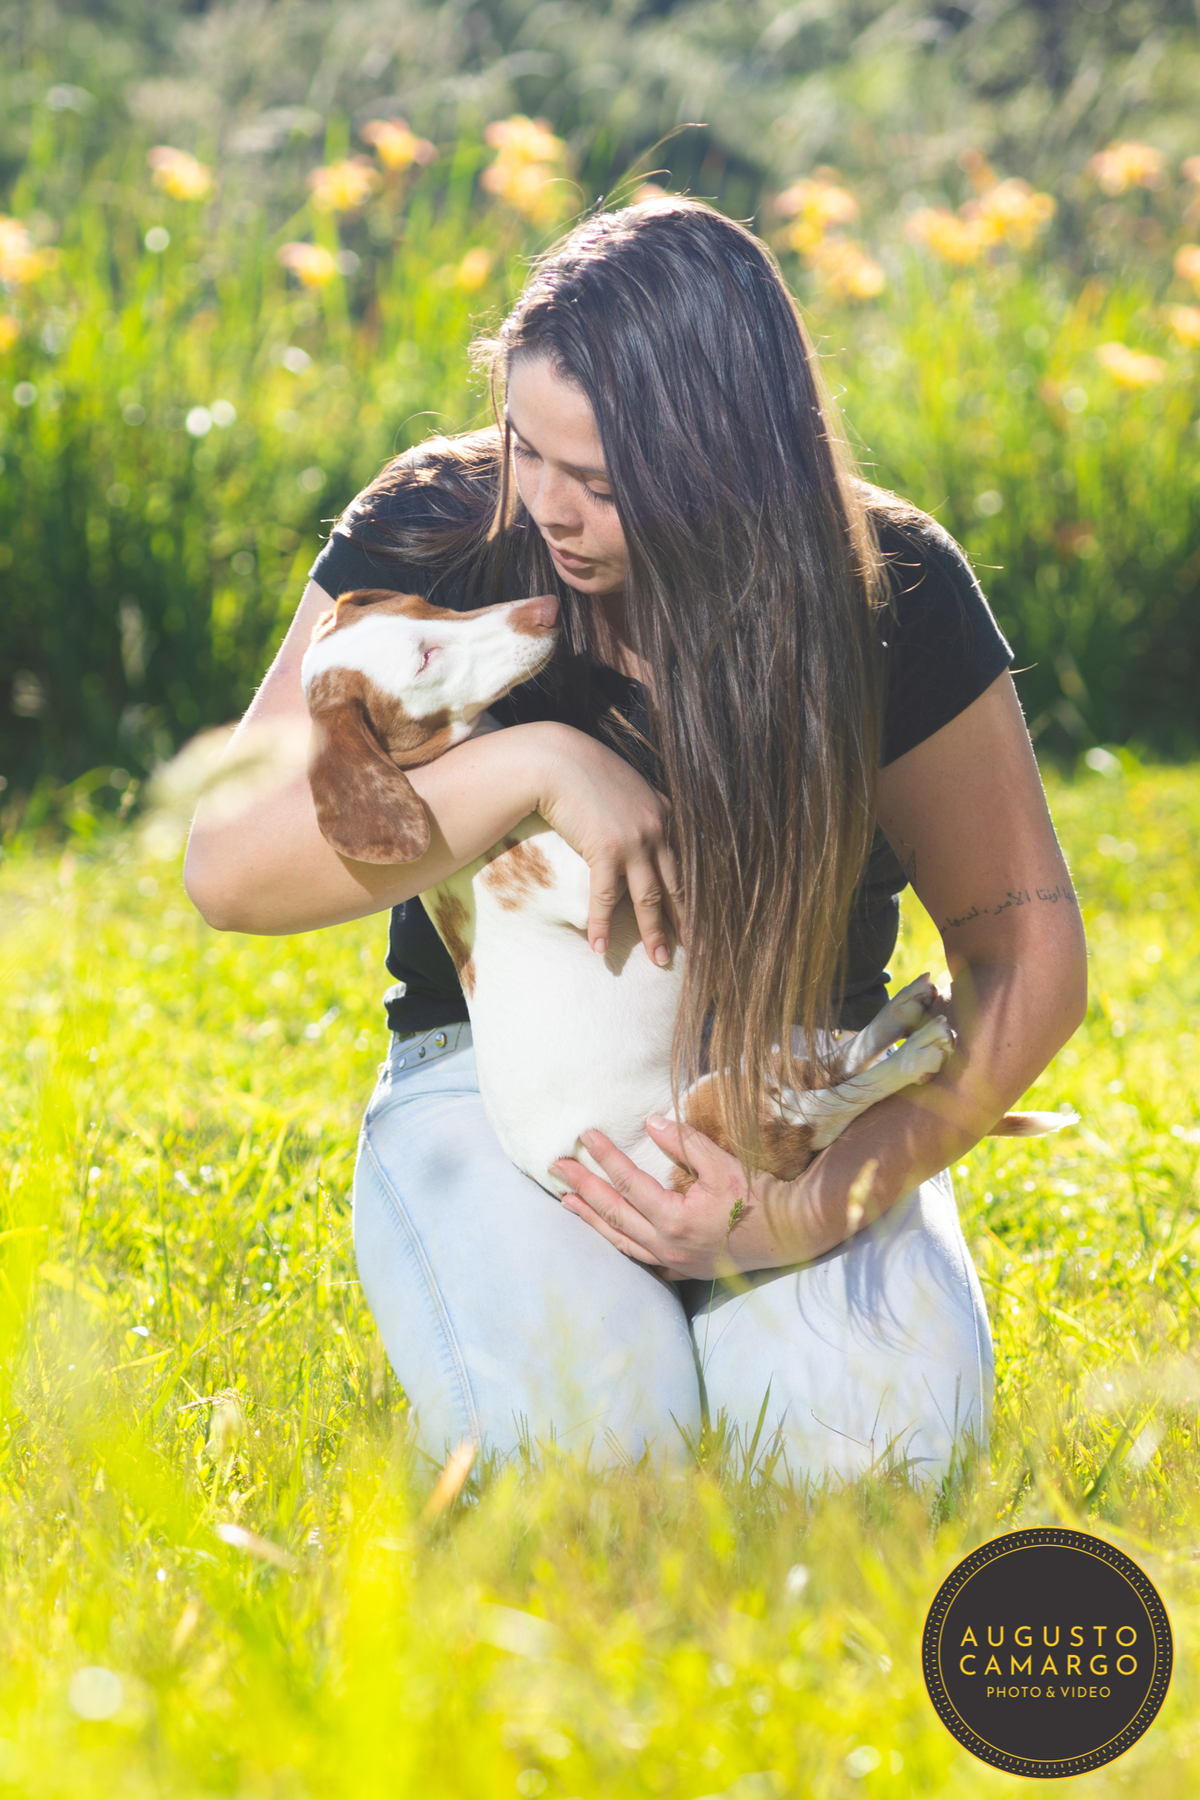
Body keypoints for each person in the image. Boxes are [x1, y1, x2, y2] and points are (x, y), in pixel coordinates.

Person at [185, 199, 1086, 1484]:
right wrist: (535, 766)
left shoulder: (887, 589)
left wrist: (807, 1210)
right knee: (590, 1462)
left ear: (730, 466)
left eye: (601, 483)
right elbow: (228, 867)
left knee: (871, 1467)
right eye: (524, 446)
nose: (546, 506)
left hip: (792, 1103)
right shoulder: (438, 534)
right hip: (493, 1099)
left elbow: (1027, 962)